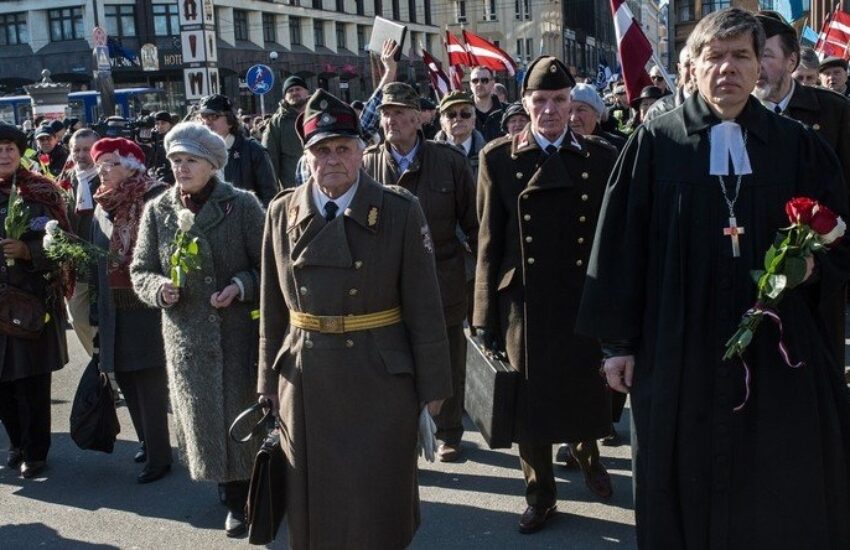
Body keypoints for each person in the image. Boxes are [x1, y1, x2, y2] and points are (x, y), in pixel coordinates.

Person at [576, 9, 850, 548]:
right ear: (693, 67)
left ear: (761, 68)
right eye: (715, 57)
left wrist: (815, 264)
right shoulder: (656, 143)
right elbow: (620, 249)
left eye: (741, 56)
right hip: (679, 345)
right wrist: (617, 345)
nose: (728, 68)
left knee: (776, 475)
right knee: (684, 468)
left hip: (777, 346)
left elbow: (839, 230)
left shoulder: (796, 145)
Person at [256, 90, 453, 549]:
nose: (333, 159)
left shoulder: (399, 210)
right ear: (306, 156)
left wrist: (435, 386)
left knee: (377, 497)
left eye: (343, 148)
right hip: (304, 377)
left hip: (379, 375)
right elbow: (271, 308)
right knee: (312, 499)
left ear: (361, 151)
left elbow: (425, 305)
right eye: (321, 150)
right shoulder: (281, 212)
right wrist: (266, 379)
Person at [474, 56, 618, 534]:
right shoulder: (497, 156)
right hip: (523, 302)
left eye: (559, 101)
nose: (550, 110)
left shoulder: (599, 157)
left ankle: (587, 451)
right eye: (540, 101)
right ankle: (540, 493)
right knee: (529, 403)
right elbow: (488, 241)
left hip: (582, 292)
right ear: (525, 104)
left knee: (583, 386)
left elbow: (609, 237)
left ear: (572, 104)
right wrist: (482, 316)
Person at [130, 122, 266, 536]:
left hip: (237, 333)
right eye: (175, 160)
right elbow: (140, 269)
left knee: (242, 416)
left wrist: (241, 286)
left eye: (190, 160)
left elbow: (270, 267)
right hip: (188, 335)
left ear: (212, 164)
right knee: (205, 418)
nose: (181, 168)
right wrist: (159, 289)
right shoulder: (159, 209)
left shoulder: (242, 205)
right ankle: (229, 496)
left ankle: (249, 494)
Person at [362, 82, 478, 462]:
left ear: (418, 118)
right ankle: (405, 435)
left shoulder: (450, 162)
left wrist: (480, 281)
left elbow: (475, 225)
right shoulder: (368, 164)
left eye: (398, 112)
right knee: (395, 359)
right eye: (385, 113)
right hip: (385, 284)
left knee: (446, 356)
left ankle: (449, 432)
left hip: (442, 277)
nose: (390, 120)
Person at [755, 10, 850, 368]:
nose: (757, 65)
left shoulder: (833, 112)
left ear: (792, 60)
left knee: (817, 375)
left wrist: (830, 263)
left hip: (819, 276)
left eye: (765, 53)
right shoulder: (734, 117)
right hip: (757, 272)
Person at [89, 137, 171, 483]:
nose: (105, 170)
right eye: (101, 164)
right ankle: (145, 442)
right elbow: (94, 258)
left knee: (149, 379)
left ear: (134, 165)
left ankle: (160, 455)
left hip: (147, 304)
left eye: (114, 162)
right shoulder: (101, 204)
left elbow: (167, 252)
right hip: (113, 305)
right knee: (124, 373)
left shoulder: (155, 196)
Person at [0, 122, 69, 479]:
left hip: (31, 301)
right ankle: (15, 443)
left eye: (10, 147)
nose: (4, 154)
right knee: (3, 385)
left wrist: (29, 250)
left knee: (31, 382)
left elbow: (65, 245)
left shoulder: (41, 191)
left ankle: (35, 451)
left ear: (20, 151)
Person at [57, 128, 101, 356]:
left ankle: (112, 373)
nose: (82, 155)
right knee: (79, 318)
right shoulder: (66, 179)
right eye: (77, 150)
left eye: (87, 149)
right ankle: (98, 367)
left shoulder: (109, 176)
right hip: (76, 264)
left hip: (105, 263)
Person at [196, 94, 278, 206]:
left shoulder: (253, 150)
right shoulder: (197, 153)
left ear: (230, 121)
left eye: (213, 116)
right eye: (203, 117)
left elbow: (269, 196)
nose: (207, 122)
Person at [262, 75, 310, 188]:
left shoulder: (318, 116)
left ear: (307, 92)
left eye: (298, 89)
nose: (294, 93)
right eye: (290, 90)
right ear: (285, 96)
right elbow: (270, 161)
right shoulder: (277, 122)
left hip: (324, 187)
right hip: (294, 190)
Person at [434, 91, 487, 180]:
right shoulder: (429, 156)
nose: (458, 118)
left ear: (474, 120)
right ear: (441, 122)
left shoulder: (487, 155)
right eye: (451, 114)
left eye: (465, 113)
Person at [569, 83, 626, 151]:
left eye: (581, 110)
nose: (573, 118)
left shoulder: (618, 146)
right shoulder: (558, 149)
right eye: (568, 111)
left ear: (596, 114)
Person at [644, 48, 696, 122]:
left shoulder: (716, 107)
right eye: (687, 65)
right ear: (679, 69)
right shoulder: (658, 111)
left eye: (659, 78)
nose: (693, 71)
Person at [470, 66, 504, 141]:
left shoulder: (505, 112)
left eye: (484, 80)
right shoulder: (463, 114)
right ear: (470, 85)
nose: (479, 84)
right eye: (475, 81)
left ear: (492, 83)